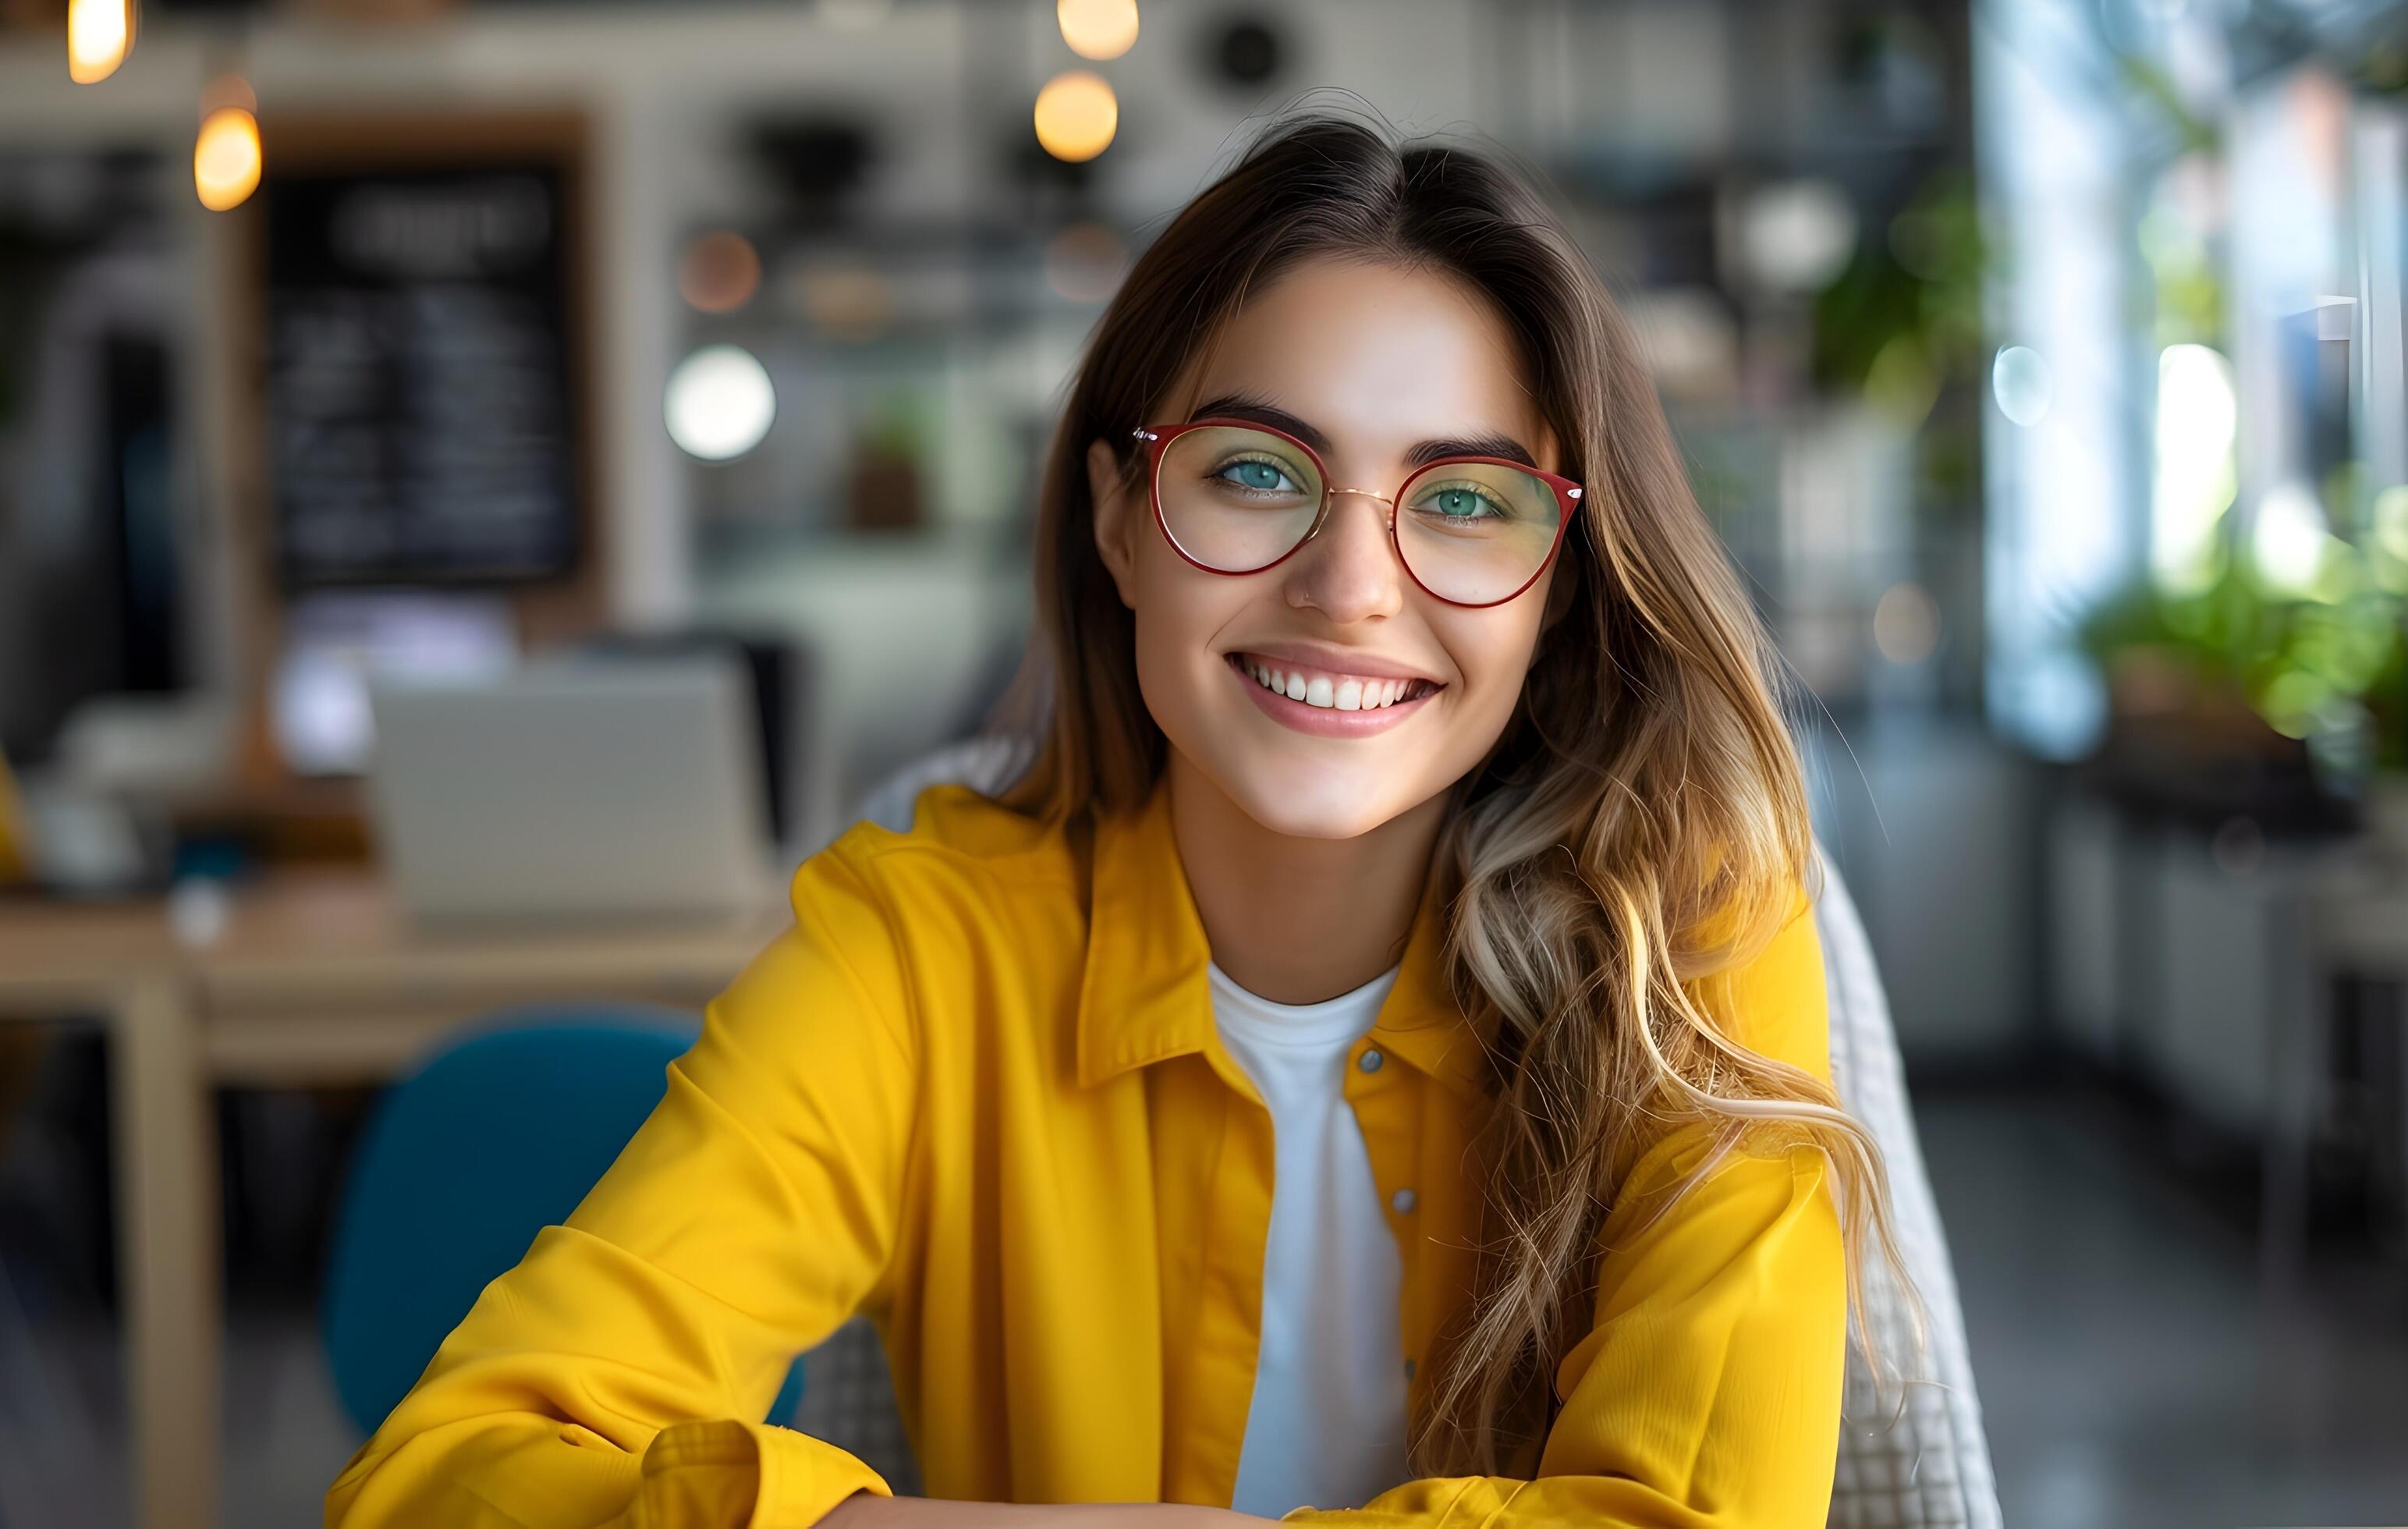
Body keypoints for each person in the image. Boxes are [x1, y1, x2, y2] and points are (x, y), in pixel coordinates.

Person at [324, 109, 1910, 1529]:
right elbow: (444, 1478)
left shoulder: (1691, 921)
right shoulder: (920, 935)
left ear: (1560, 584)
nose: (1351, 588)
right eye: (1254, 473)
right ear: (1117, 521)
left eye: (1467, 500)